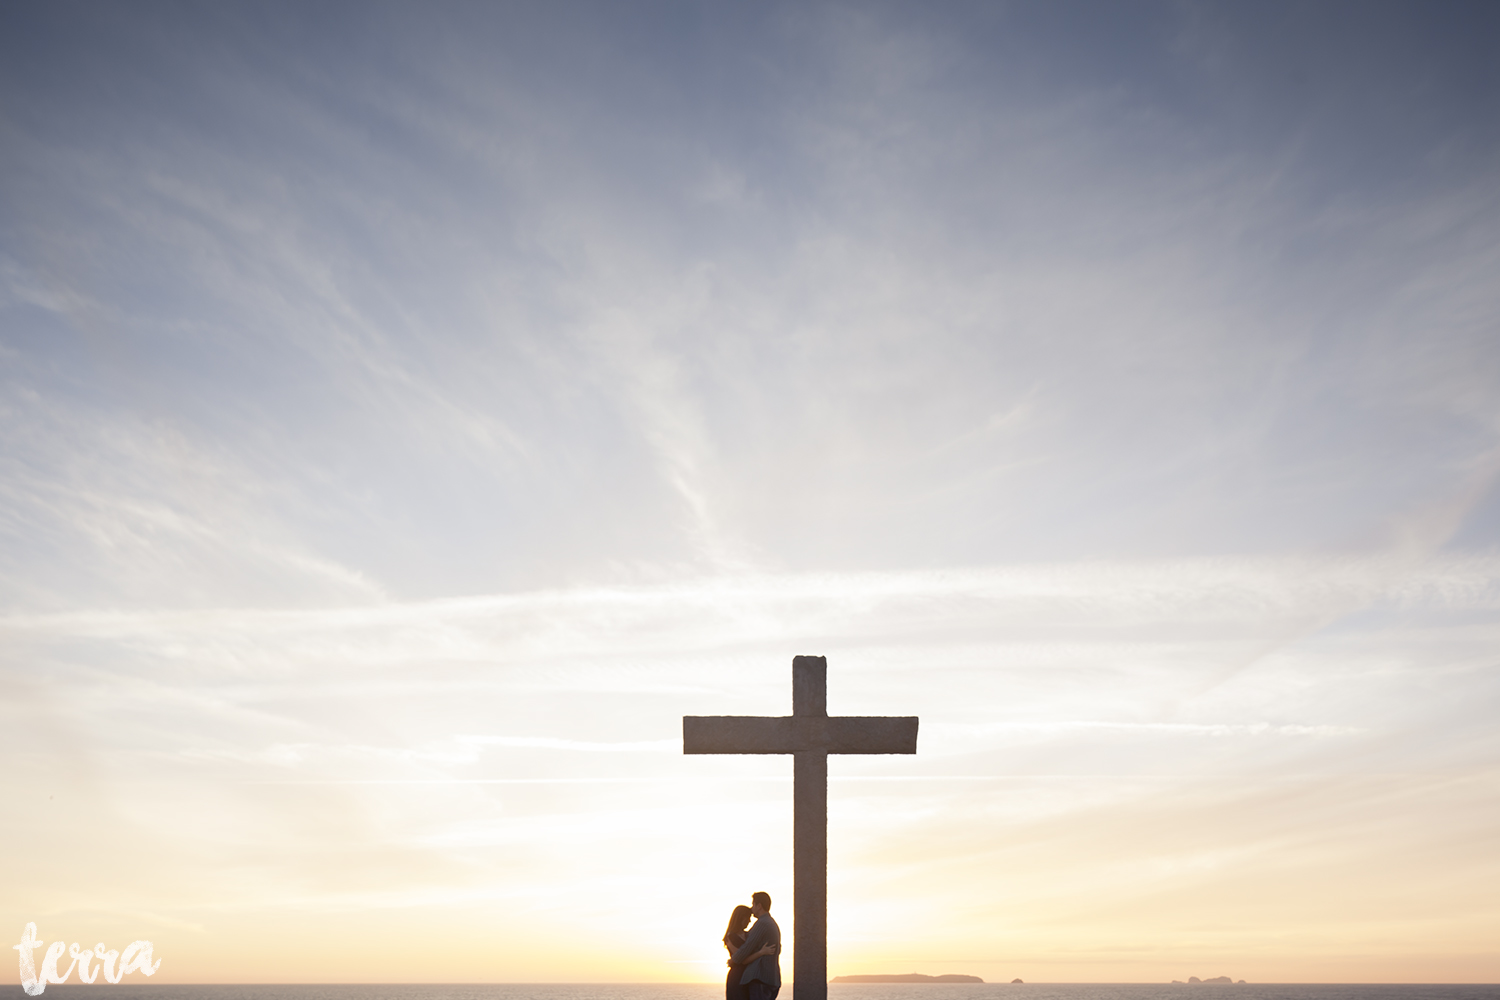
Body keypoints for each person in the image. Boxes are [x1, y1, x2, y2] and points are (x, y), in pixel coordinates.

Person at [728, 892, 781, 1000]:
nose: (752, 909)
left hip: (760, 978)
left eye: (753, 905)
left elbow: (745, 950)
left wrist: (733, 960)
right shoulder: (771, 923)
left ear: (759, 906)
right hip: (770, 978)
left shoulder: (762, 923)